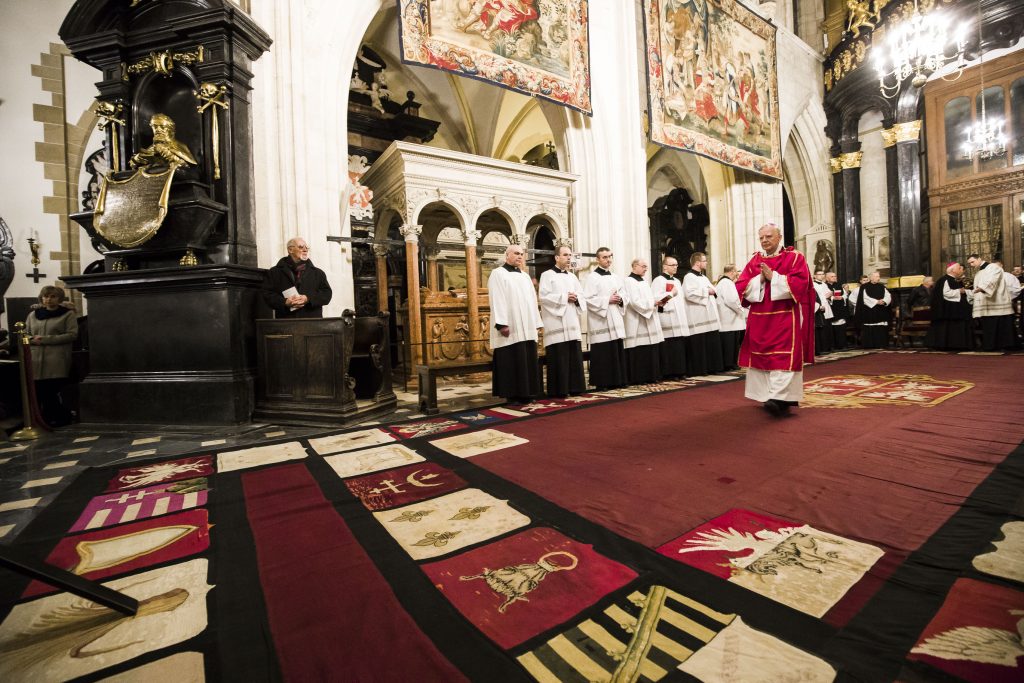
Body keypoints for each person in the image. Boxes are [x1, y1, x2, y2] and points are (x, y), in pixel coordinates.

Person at [736, 223, 814, 417]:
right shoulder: (755, 260)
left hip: (784, 317)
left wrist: (774, 277)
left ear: (779, 237)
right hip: (759, 319)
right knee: (762, 357)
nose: (764, 240)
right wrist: (760, 280)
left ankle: (780, 399)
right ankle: (767, 396)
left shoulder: (794, 257)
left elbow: (801, 283)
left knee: (783, 357)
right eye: (761, 237)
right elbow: (741, 285)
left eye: (769, 236)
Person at [488, 244, 543, 402]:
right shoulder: (498, 273)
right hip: (510, 325)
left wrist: (536, 321)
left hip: (527, 326)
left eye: (521, 254)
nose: (520, 256)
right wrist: (501, 324)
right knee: (511, 359)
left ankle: (528, 393)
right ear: (507, 255)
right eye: (516, 253)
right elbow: (497, 299)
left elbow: (532, 300)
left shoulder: (525, 276)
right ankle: (512, 395)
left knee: (527, 358)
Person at [25, 285, 78, 427]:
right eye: (46, 296)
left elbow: (72, 335)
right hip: (36, 360)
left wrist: (44, 339)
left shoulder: (67, 314)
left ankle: (61, 418)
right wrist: (31, 339)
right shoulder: (33, 315)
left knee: (51, 391)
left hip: (56, 359)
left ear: (59, 298)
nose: (48, 299)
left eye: (53, 296)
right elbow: (25, 334)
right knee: (39, 392)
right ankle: (45, 419)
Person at [537, 245, 586, 397]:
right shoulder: (547, 275)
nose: (569, 258)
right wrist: (565, 297)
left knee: (573, 354)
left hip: (571, 321)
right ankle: (559, 390)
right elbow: (543, 297)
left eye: (570, 255)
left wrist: (576, 298)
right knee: (559, 355)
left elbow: (581, 295)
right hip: (556, 321)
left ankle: (575, 388)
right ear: (557, 257)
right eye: (565, 255)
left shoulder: (573, 277)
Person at [583, 247, 629, 390]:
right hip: (601, 320)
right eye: (604, 257)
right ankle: (602, 382)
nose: (608, 260)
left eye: (610, 256)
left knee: (616, 348)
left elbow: (625, 294)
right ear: (598, 259)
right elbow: (588, 299)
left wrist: (621, 299)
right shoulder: (592, 277)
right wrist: (607, 300)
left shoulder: (616, 277)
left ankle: (618, 380)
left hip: (615, 316)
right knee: (603, 352)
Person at [261, 237, 333, 318]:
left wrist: (308, 298)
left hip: (311, 320)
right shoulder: (275, 272)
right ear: (290, 250)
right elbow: (267, 294)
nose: (305, 250)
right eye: (301, 247)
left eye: (306, 247)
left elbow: (326, 294)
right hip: (286, 320)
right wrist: (285, 302)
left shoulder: (318, 273)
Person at [682, 251, 724, 375]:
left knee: (710, 342)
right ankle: (700, 369)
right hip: (698, 316)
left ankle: (712, 367)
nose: (706, 263)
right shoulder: (689, 277)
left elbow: (714, 290)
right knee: (700, 343)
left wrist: (711, 290)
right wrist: (706, 291)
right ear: (697, 263)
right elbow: (689, 294)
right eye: (704, 261)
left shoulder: (704, 277)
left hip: (709, 315)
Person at [622, 258, 663, 384]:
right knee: (639, 349)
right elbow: (634, 301)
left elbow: (649, 298)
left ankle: (651, 375)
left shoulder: (644, 281)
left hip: (647, 318)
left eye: (646, 266)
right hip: (636, 320)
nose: (646, 269)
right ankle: (639, 378)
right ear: (634, 266)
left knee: (649, 348)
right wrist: (652, 303)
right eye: (643, 266)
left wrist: (658, 301)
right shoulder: (628, 281)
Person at [968, 254, 1016, 351]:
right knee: (990, 326)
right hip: (987, 304)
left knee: (1000, 325)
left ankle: (1004, 345)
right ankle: (991, 345)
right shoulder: (979, 273)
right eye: (969, 263)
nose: (971, 265)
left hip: (997, 302)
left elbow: (992, 280)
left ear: (979, 259)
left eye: (972, 262)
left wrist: (983, 288)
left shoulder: (993, 267)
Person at [651, 256, 688, 379]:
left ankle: (680, 371)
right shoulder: (658, 281)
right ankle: (669, 373)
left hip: (678, 317)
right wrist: (670, 294)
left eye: (676, 265)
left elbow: (681, 300)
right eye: (673, 265)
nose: (676, 267)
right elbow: (657, 299)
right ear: (665, 266)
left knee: (678, 345)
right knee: (669, 346)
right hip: (667, 316)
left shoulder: (677, 281)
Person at [926, 262, 973, 351]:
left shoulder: (956, 280)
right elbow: (946, 293)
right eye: (959, 268)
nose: (961, 270)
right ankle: (947, 345)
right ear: (953, 270)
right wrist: (959, 291)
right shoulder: (944, 280)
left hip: (956, 309)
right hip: (947, 310)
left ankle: (959, 345)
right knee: (947, 327)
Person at [716, 264, 745, 370]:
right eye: (736, 271)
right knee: (730, 343)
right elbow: (732, 300)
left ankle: (731, 363)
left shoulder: (722, 282)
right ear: (732, 271)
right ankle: (730, 364)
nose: (737, 274)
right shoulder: (727, 283)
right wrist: (741, 310)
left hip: (728, 318)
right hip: (730, 318)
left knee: (731, 343)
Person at [856, 271, 891, 348]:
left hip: (880, 310)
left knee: (880, 327)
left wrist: (884, 301)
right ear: (871, 278)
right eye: (876, 276)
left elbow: (888, 295)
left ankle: (881, 344)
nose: (878, 278)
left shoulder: (882, 286)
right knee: (870, 327)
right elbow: (864, 298)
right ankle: (870, 344)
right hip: (869, 310)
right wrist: (876, 302)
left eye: (879, 276)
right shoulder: (864, 287)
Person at [811, 269, 834, 355]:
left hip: (826, 306)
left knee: (828, 326)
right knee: (821, 328)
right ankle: (822, 347)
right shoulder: (813, 284)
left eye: (822, 274)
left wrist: (830, 296)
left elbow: (828, 294)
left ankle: (828, 346)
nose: (822, 276)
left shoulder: (824, 284)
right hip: (819, 306)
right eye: (819, 274)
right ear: (815, 276)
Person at [825, 272, 849, 349]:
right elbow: (823, 296)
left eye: (835, 276)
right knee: (832, 327)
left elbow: (845, 294)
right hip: (831, 308)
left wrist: (842, 297)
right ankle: (833, 345)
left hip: (840, 307)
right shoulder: (824, 285)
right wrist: (832, 298)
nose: (835, 277)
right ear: (827, 278)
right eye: (832, 276)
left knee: (841, 326)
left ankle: (842, 344)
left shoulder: (839, 284)